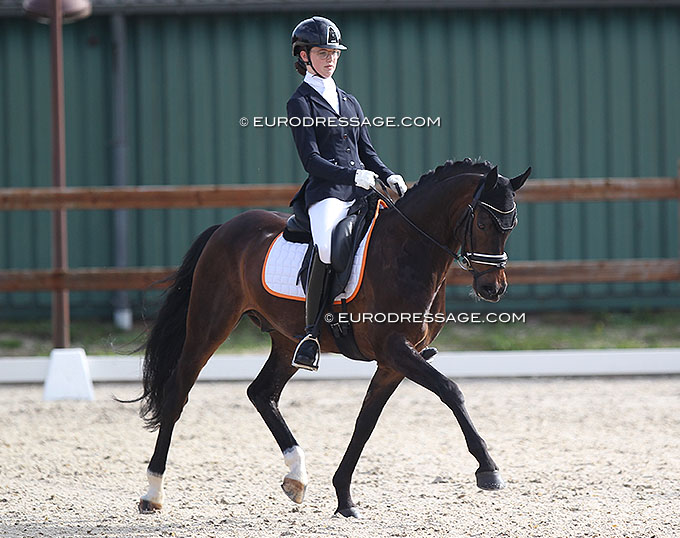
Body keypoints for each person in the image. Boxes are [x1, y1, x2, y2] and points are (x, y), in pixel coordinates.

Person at [287, 16, 408, 371]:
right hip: (327, 195)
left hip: (364, 190)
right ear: (304, 56)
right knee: (327, 246)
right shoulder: (300, 103)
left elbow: (367, 152)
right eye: (323, 53)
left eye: (334, 53)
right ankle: (310, 335)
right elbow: (311, 160)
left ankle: (404, 333)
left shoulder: (349, 101)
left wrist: (389, 174)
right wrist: (353, 176)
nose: (330, 58)